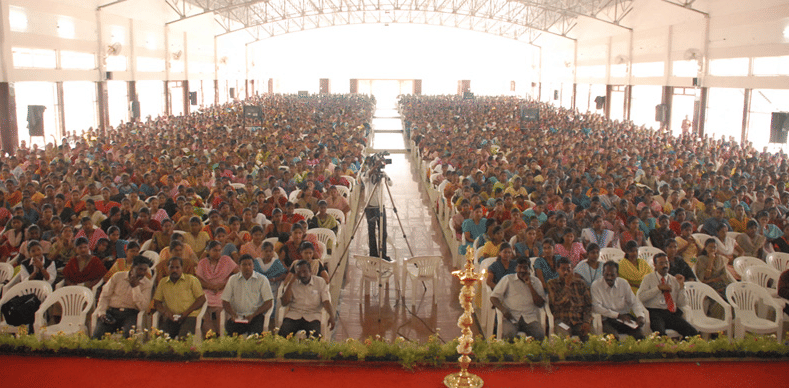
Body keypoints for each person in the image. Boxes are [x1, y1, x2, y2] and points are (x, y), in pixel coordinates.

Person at [637, 253, 698, 338]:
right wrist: (658, 288)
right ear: (655, 265)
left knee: (693, 333)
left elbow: (682, 303)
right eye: (661, 263)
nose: (665, 266)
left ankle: (681, 350)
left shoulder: (673, 280)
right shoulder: (648, 278)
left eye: (667, 263)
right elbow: (641, 297)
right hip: (655, 313)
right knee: (661, 334)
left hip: (670, 313)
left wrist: (681, 287)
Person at [92, 255, 153, 339]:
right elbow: (104, 296)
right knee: (97, 335)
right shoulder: (117, 276)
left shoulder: (147, 283)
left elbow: (143, 307)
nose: (142, 273)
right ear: (132, 268)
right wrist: (102, 313)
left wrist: (135, 287)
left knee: (128, 336)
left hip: (130, 314)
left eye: (144, 270)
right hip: (112, 312)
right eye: (140, 269)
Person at [490, 257, 546, 341]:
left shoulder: (536, 282)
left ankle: (532, 354)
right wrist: (503, 310)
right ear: (516, 268)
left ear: (530, 269)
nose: (522, 270)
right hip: (511, 317)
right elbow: (493, 297)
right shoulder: (508, 279)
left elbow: (540, 303)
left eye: (525, 267)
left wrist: (530, 285)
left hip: (530, 318)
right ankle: (511, 354)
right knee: (509, 334)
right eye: (520, 267)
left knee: (539, 334)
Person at [153, 256, 206, 339]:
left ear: (182, 268)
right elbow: (157, 302)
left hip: (191, 316)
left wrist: (186, 313)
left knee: (183, 338)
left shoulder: (191, 280)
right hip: (172, 317)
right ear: (167, 269)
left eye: (177, 267)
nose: (174, 270)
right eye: (172, 267)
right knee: (159, 338)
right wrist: (167, 313)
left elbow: (202, 299)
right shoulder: (163, 282)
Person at [591, 261, 647, 339]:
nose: (609, 277)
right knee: (613, 338)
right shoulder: (596, 285)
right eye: (607, 274)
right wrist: (617, 315)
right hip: (607, 319)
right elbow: (597, 307)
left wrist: (640, 315)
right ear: (602, 273)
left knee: (640, 336)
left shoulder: (623, 283)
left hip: (624, 318)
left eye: (612, 275)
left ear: (617, 274)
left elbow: (634, 302)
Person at [279, 260, 335, 338]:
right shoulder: (293, 283)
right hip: (294, 315)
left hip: (312, 316)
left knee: (315, 336)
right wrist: (291, 283)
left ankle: (308, 351)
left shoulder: (319, 282)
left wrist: (331, 316)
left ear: (310, 271)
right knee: (283, 332)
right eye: (299, 272)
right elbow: (284, 303)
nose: (302, 275)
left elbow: (326, 301)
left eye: (305, 271)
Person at [221, 254, 274, 336]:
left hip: (255, 316)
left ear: (253, 266)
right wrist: (232, 314)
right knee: (230, 335)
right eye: (244, 264)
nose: (247, 267)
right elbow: (225, 301)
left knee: (255, 336)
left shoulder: (262, 279)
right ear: (239, 266)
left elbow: (269, 302)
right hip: (238, 316)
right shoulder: (233, 279)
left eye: (250, 264)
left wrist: (253, 315)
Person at [196, 240, 239, 337]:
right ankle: (211, 335)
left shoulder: (226, 260)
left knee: (220, 309)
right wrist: (211, 286)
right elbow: (198, 280)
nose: (217, 253)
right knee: (203, 309)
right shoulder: (203, 262)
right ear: (209, 251)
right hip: (207, 290)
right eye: (215, 250)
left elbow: (237, 274)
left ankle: (221, 334)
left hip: (223, 290)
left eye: (219, 250)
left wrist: (224, 285)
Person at [547, 257, 592, 340]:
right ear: (557, 269)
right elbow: (555, 304)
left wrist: (586, 321)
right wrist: (567, 286)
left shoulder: (580, 283)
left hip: (578, 321)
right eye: (563, 269)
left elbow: (588, 305)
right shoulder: (552, 284)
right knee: (565, 338)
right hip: (562, 320)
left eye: (569, 269)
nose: (566, 272)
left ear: (572, 269)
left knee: (589, 337)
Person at [361, 162, 392, 261]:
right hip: (370, 207)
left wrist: (385, 177)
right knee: (371, 231)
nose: (376, 168)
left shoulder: (382, 175)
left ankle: (383, 254)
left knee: (383, 231)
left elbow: (391, 184)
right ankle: (373, 254)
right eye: (375, 165)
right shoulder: (366, 174)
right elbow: (364, 178)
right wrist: (372, 170)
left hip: (380, 207)